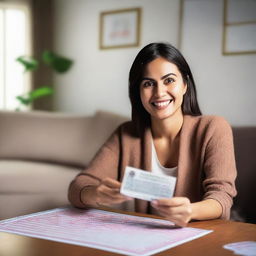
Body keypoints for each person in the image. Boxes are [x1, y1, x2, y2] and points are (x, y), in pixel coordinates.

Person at [68, 42, 237, 227]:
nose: (159, 92)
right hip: (147, 239)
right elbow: (78, 187)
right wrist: (96, 194)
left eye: (169, 80)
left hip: (201, 234)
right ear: (138, 92)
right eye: (148, 84)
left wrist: (190, 211)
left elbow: (222, 196)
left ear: (185, 85)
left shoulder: (213, 128)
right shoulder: (126, 134)